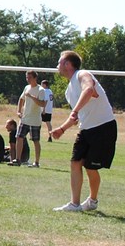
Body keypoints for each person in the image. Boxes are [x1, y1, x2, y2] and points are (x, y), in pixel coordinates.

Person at [48, 50, 117, 212]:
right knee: (75, 162)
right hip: (86, 129)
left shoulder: (82, 74)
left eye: (59, 62)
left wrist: (75, 110)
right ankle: (75, 204)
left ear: (67, 64)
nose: (57, 66)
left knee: (90, 167)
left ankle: (92, 200)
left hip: (103, 126)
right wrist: (62, 129)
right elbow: (76, 116)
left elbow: (89, 90)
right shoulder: (68, 91)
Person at [12, 70, 46, 166]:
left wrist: (32, 97)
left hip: (35, 120)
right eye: (27, 77)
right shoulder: (26, 87)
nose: (28, 79)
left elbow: (42, 103)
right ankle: (18, 159)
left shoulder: (41, 90)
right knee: (19, 137)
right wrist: (19, 111)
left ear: (35, 78)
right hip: (25, 118)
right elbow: (21, 99)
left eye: (30, 77)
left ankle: (37, 162)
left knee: (35, 140)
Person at [38, 79, 55, 165]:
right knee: (48, 123)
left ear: (44, 85)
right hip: (49, 109)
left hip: (45, 110)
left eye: (42, 84)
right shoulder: (50, 91)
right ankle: (50, 136)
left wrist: (43, 109)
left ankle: (37, 135)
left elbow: (46, 100)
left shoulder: (45, 91)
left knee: (38, 122)